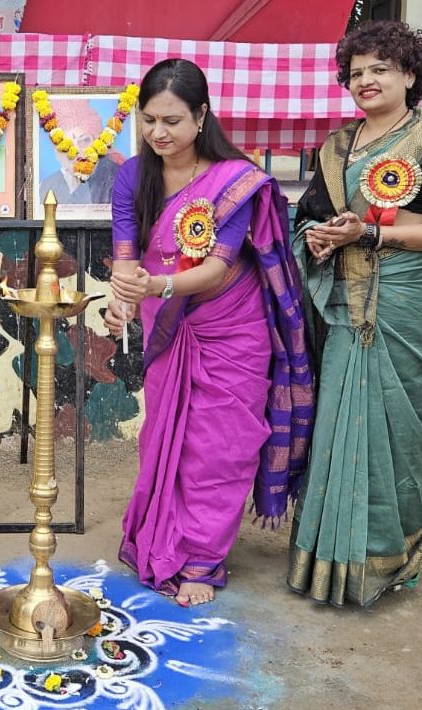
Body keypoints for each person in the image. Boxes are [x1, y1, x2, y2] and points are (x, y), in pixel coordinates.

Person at [104, 58, 313, 607]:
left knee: (219, 448)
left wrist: (155, 286)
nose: (158, 133)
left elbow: (218, 268)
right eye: (149, 119)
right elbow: (126, 256)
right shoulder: (133, 175)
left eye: (172, 121)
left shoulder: (234, 181)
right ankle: (164, 540)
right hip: (169, 326)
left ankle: (202, 560)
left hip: (233, 328)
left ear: (201, 116)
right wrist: (122, 300)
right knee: (166, 441)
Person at [287, 21, 422, 608]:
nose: (365, 80)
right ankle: (331, 562)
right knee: (339, 420)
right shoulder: (337, 147)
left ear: (410, 75)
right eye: (356, 72)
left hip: (404, 303)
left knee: (397, 428)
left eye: (380, 69)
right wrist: (319, 238)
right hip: (346, 303)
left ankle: (391, 557)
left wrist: (370, 233)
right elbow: (309, 217)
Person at [39, 98, 122, 205]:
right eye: (66, 146)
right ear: (56, 153)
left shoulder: (118, 178)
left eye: (84, 140)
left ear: (96, 142)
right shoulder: (46, 186)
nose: (76, 152)